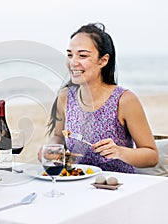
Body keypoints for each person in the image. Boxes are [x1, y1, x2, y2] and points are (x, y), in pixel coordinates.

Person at [43, 23, 158, 173]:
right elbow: (58, 137)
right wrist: (51, 150)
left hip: (116, 186)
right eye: (70, 55)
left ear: (103, 60)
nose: (73, 62)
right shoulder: (65, 96)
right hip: (76, 182)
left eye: (82, 55)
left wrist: (120, 152)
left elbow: (152, 156)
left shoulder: (124, 100)